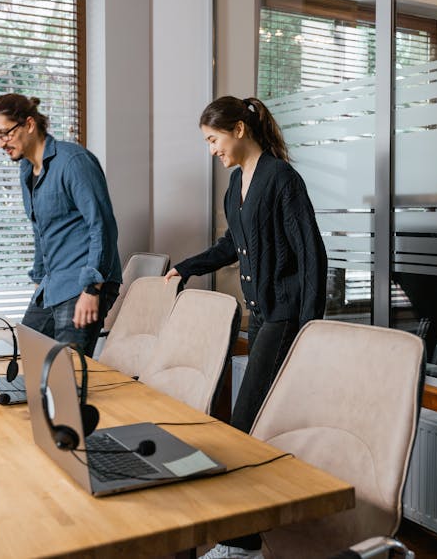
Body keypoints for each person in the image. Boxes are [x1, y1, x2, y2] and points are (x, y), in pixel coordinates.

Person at [165, 95, 327, 559]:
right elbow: (231, 245)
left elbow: (312, 253)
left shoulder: (281, 178)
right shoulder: (236, 183)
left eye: (213, 139)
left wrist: (311, 327)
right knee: (259, 422)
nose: (211, 149)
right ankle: (264, 527)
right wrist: (187, 267)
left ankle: (242, 541)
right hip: (261, 315)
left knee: (241, 427)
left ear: (238, 129)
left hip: (287, 315)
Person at [0, 94, 122, 356]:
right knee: (29, 355)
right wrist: (39, 280)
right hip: (53, 283)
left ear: (28, 124)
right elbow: (41, 232)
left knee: (65, 373)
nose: (1, 143)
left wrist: (92, 288)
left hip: (83, 282)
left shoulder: (73, 162)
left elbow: (102, 225)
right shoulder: (27, 170)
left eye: (5, 133)